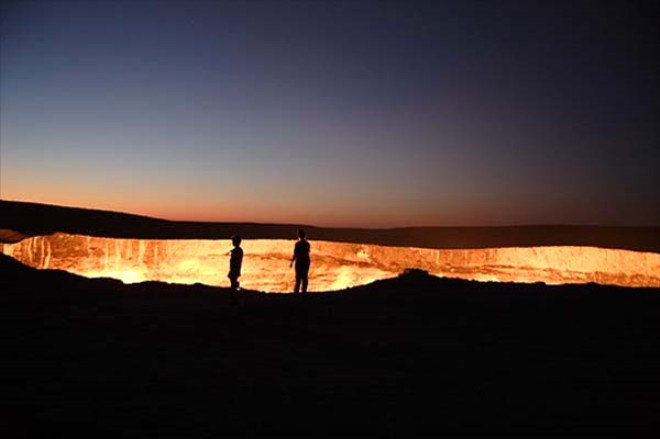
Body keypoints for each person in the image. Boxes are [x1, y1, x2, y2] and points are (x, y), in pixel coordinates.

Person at [290, 229, 311, 294]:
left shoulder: (298, 244)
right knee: (304, 276)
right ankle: (304, 291)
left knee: (298, 277)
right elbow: (307, 252)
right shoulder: (307, 244)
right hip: (306, 261)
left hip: (300, 261)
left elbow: (295, 253)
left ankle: (297, 292)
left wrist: (292, 262)